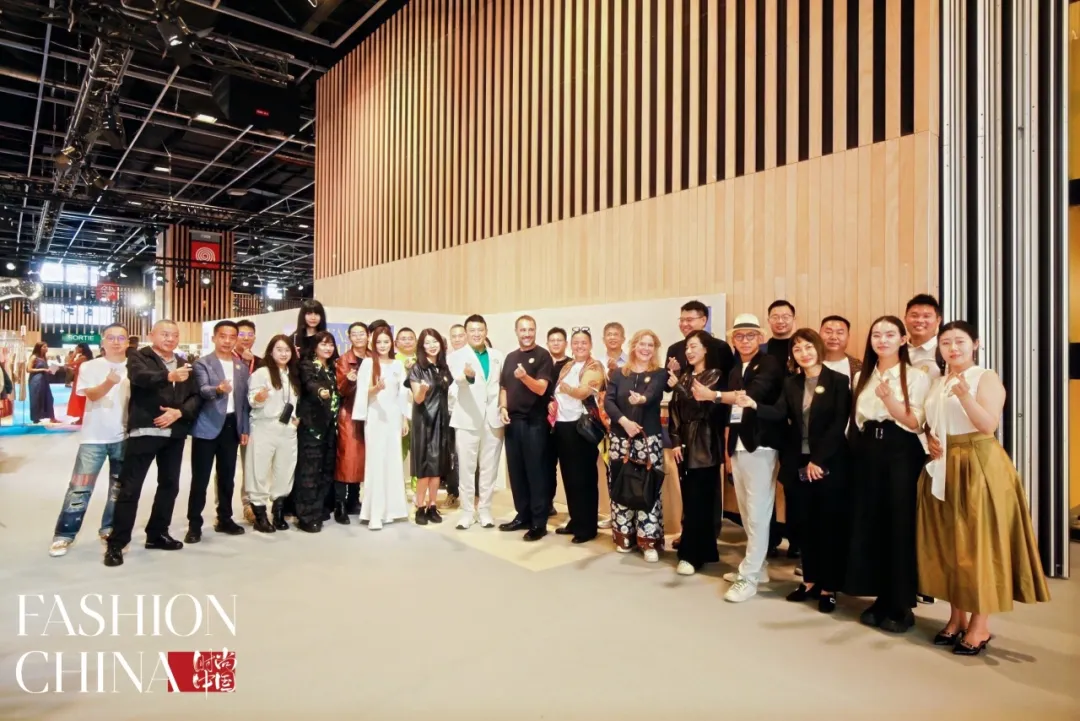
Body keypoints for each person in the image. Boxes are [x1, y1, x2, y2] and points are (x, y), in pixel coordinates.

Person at [917, 321, 1050, 655]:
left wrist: (965, 396)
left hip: (978, 463)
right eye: (946, 342)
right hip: (943, 465)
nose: (953, 348)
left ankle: (980, 625)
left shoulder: (984, 377)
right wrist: (929, 438)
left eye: (960, 341)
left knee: (978, 545)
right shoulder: (938, 381)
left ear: (975, 344)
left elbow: (988, 425)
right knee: (950, 543)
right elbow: (930, 421)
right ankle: (956, 617)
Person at [736, 329, 852, 612]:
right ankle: (809, 581)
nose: (804, 353)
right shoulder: (792, 383)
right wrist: (754, 404)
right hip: (797, 464)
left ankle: (828, 587)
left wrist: (819, 460)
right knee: (803, 524)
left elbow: (838, 425)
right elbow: (779, 413)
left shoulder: (838, 381)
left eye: (808, 347)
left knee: (827, 526)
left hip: (827, 463)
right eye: (797, 349)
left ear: (818, 348)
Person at [845, 316, 931, 632]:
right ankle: (880, 597)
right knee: (871, 522)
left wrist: (890, 402)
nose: (882, 340)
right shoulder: (861, 376)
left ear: (903, 340)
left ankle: (901, 604)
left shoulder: (916, 376)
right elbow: (856, 420)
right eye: (877, 335)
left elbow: (916, 423)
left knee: (899, 524)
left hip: (900, 452)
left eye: (890, 334)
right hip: (867, 451)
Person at [104, 320, 202, 567]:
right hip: (145, 432)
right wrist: (168, 375)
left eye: (174, 335)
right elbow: (140, 377)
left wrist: (179, 413)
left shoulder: (184, 363)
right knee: (130, 488)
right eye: (165, 334)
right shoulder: (139, 357)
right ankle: (117, 543)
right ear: (152, 335)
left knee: (169, 485)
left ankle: (157, 533)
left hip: (174, 434)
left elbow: (195, 396)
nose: (170, 339)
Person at [706, 314, 785, 602]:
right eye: (739, 336)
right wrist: (728, 450)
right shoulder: (737, 368)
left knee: (758, 512)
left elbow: (750, 395)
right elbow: (733, 412)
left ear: (760, 338)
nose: (745, 340)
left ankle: (749, 577)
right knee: (747, 512)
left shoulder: (769, 363)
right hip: (739, 445)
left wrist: (713, 395)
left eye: (751, 335)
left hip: (761, 446)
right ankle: (758, 567)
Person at [49, 325, 130, 557]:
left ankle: (109, 529)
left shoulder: (134, 367)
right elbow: (91, 395)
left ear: (127, 342)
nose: (116, 342)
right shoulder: (90, 366)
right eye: (111, 338)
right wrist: (109, 382)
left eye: (121, 338)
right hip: (93, 437)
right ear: (102, 342)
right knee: (79, 488)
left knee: (118, 489)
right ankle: (64, 535)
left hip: (124, 436)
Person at [667, 330, 726, 576]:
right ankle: (704, 550)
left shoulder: (714, 375)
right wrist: (675, 441)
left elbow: (701, 406)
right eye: (687, 347)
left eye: (694, 346)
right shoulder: (685, 376)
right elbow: (675, 411)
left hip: (704, 443)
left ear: (706, 349)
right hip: (685, 443)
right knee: (691, 499)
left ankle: (692, 555)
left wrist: (679, 387)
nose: (689, 352)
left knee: (700, 500)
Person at [604, 329, 667, 561]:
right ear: (633, 346)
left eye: (650, 345)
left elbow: (651, 394)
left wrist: (640, 400)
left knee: (647, 488)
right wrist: (624, 422)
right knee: (621, 485)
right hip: (621, 439)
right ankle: (624, 536)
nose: (646, 349)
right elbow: (609, 402)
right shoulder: (619, 373)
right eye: (642, 344)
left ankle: (648, 541)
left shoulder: (659, 373)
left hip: (648, 440)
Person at [186, 321, 250, 543]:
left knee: (227, 477)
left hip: (231, 427)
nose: (227, 341)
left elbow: (243, 402)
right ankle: (194, 524)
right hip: (206, 427)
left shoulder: (241, 367)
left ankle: (225, 518)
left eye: (232, 337)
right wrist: (219, 389)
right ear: (214, 338)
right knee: (200, 478)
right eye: (223, 336)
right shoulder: (202, 363)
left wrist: (244, 428)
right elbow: (203, 390)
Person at [498, 315, 553, 541]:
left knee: (536, 472)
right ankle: (523, 516)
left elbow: (541, 388)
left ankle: (539, 522)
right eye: (523, 330)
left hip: (535, 423)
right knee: (517, 472)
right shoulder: (510, 357)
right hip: (513, 422)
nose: (527, 334)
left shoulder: (543, 356)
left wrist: (524, 377)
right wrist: (503, 407)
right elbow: (503, 387)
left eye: (530, 329)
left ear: (535, 330)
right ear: (516, 332)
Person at [448, 314, 505, 530]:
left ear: (486, 331)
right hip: (467, 418)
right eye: (472, 330)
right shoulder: (456, 356)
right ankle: (467, 511)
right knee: (466, 467)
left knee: (490, 467)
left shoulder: (497, 355)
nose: (476, 334)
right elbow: (458, 381)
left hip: (493, 418)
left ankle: (485, 510)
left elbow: (501, 385)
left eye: (480, 330)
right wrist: (467, 376)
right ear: (465, 333)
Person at [352, 325, 410, 530]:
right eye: (379, 342)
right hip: (375, 417)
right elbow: (362, 393)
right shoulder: (368, 363)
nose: (383, 345)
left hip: (393, 418)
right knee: (376, 462)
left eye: (386, 342)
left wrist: (404, 419)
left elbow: (403, 394)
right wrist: (375, 389)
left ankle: (392, 510)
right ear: (373, 343)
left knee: (393, 462)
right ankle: (375, 513)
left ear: (392, 343)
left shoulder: (398, 365)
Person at [551, 329, 606, 543]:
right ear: (570, 346)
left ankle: (587, 527)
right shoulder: (568, 365)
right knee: (570, 477)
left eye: (583, 342)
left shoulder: (594, 367)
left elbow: (583, 392)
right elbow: (557, 392)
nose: (579, 346)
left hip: (582, 427)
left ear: (590, 345)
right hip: (562, 425)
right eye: (576, 343)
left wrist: (567, 390)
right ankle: (576, 520)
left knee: (584, 478)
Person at [246, 335, 300, 533]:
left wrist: (296, 419)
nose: (283, 354)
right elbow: (252, 399)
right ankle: (260, 514)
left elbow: (297, 400)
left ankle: (278, 511)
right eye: (279, 349)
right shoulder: (262, 373)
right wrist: (259, 398)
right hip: (264, 426)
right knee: (258, 469)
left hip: (287, 429)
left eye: (287, 350)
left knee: (285, 469)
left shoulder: (293, 374)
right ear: (271, 351)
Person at [294, 332, 340, 533]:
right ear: (314, 347)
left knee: (326, 468)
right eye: (323, 344)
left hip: (330, 426)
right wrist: (321, 391)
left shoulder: (333, 367)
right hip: (312, 425)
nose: (328, 348)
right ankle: (306, 515)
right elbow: (310, 384)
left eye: (331, 345)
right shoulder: (307, 365)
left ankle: (318, 509)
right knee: (309, 470)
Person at [409, 329, 453, 525]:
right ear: (422, 346)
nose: (432, 346)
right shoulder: (417, 368)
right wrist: (422, 391)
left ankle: (433, 505)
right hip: (425, 423)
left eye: (435, 342)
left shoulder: (443, 367)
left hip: (441, 422)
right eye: (427, 343)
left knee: (437, 469)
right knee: (425, 468)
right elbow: (418, 399)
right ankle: (420, 507)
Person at [333, 322, 369, 521]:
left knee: (362, 460)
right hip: (349, 414)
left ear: (368, 335)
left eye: (361, 333)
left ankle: (354, 500)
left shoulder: (373, 357)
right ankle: (340, 503)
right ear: (349, 337)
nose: (358, 337)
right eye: (354, 334)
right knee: (346, 459)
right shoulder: (344, 360)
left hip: (370, 414)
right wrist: (349, 379)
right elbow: (341, 390)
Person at [234, 319, 261, 525]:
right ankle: (222, 509)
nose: (246, 338)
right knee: (225, 467)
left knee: (250, 464)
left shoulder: (260, 362)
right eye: (241, 335)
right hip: (229, 419)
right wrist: (242, 364)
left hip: (253, 420)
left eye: (250, 335)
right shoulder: (226, 360)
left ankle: (248, 504)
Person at [544, 327, 571, 515]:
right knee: (546, 466)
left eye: (559, 340)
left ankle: (575, 511)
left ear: (566, 343)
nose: (555, 343)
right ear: (547, 343)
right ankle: (547, 504)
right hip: (544, 423)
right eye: (552, 340)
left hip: (566, 422)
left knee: (569, 468)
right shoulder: (542, 362)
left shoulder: (571, 364)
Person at [444, 324, 467, 506]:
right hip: (450, 412)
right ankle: (452, 492)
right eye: (454, 336)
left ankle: (472, 495)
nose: (457, 339)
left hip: (468, 412)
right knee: (451, 454)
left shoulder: (472, 358)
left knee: (468, 455)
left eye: (460, 335)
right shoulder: (446, 360)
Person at [904, 294, 943, 379]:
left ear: (938, 320)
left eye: (926, 316)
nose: (920, 320)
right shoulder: (897, 350)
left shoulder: (944, 350)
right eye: (914, 316)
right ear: (905, 319)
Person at [819, 315, 863, 381]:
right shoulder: (807, 363)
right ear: (819, 334)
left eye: (840, 333)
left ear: (848, 337)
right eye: (828, 332)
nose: (833, 337)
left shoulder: (859, 367)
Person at [27, 342, 58, 424]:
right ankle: (36, 418)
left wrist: (50, 370)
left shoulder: (44, 357)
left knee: (49, 398)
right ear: (39, 348)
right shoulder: (34, 357)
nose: (46, 348)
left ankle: (52, 418)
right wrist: (43, 370)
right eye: (44, 347)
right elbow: (28, 369)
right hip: (36, 381)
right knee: (36, 398)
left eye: (46, 346)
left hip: (44, 380)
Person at [65, 343, 94, 424]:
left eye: (77, 348)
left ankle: (81, 418)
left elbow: (69, 363)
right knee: (81, 398)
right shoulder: (86, 357)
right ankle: (82, 418)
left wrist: (74, 354)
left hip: (80, 379)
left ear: (81, 348)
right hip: (81, 378)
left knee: (80, 397)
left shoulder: (83, 357)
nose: (76, 349)